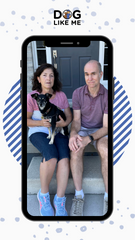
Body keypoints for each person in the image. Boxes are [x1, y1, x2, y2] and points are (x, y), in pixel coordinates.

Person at [27, 63, 72, 216]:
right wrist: (41, 122)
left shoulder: (61, 95)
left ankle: (59, 200)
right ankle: (44, 195)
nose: (48, 78)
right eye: (45, 75)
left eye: (51, 75)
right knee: (51, 156)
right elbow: (25, 120)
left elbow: (69, 116)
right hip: (38, 132)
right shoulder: (32, 96)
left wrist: (64, 123)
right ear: (38, 78)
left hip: (58, 131)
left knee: (65, 160)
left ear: (55, 78)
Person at [69, 60, 108, 216]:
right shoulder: (78, 93)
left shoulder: (107, 95)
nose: (90, 78)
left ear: (100, 74)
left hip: (101, 130)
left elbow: (106, 127)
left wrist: (89, 138)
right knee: (75, 150)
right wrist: (73, 134)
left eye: (93, 74)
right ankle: (79, 196)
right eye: (86, 74)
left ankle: (107, 195)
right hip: (83, 129)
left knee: (105, 149)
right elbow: (77, 121)